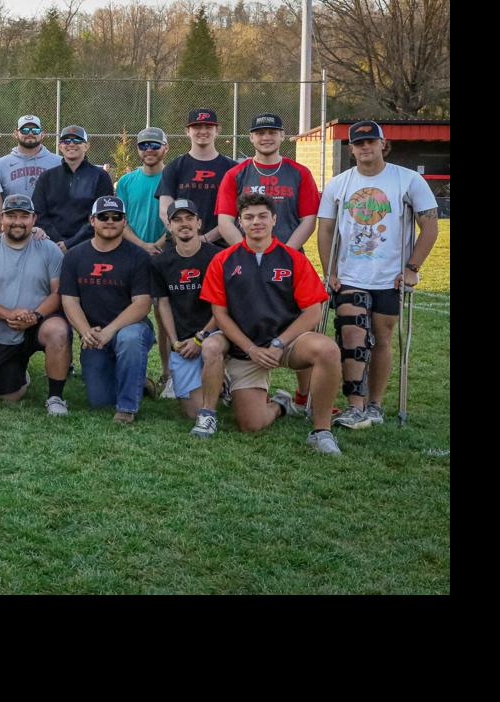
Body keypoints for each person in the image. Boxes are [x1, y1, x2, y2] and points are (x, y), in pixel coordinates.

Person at [314, 120, 441, 429]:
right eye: (359, 143)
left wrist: (411, 268)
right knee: (352, 335)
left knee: (382, 339)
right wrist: (329, 270)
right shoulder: (339, 184)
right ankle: (354, 405)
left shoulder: (408, 180)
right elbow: (326, 229)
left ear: (383, 144)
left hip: (390, 277)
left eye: (371, 141)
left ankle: (375, 405)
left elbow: (430, 226)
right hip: (350, 275)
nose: (365, 147)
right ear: (352, 148)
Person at [202, 192, 342, 454]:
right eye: (249, 217)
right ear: (239, 223)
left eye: (262, 216)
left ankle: (322, 431)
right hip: (245, 349)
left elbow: (313, 311)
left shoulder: (293, 258)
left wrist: (279, 343)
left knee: (327, 349)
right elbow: (220, 315)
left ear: (274, 219)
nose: (256, 222)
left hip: (287, 343)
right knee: (250, 424)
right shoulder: (223, 260)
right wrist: (252, 349)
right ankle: (281, 404)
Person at [0, 194, 70, 414]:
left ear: (34, 219)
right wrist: (8, 314)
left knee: (58, 330)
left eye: (24, 216)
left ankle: (56, 398)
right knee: (10, 395)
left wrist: (36, 316)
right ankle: (17, 369)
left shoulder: (49, 249)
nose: (17, 221)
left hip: (39, 322)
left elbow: (58, 292)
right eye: (11, 216)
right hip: (1, 329)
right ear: (2, 218)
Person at [59, 195, 157, 424]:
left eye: (116, 217)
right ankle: (137, 380)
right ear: (92, 220)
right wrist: (86, 332)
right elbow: (69, 300)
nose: (110, 221)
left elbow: (142, 303)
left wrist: (109, 331)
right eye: (103, 216)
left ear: (125, 222)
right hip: (93, 333)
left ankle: (127, 408)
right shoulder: (74, 256)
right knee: (99, 400)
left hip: (131, 328)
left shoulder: (138, 257)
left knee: (129, 339)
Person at [151, 200, 228, 436]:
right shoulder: (161, 262)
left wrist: (200, 338)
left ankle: (223, 380)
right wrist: (175, 342)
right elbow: (163, 304)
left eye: (189, 218)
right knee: (191, 412)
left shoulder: (217, 257)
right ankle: (217, 385)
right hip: (183, 342)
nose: (184, 224)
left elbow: (223, 305)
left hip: (215, 333)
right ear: (170, 226)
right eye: (177, 219)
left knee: (211, 348)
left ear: (199, 223)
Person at [214, 112, 319, 249]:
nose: (266, 137)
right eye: (260, 133)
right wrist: (246, 253)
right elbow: (225, 222)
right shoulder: (234, 174)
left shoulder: (300, 173)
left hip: (288, 256)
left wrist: (285, 253)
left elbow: (308, 220)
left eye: (272, 132)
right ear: (251, 137)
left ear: (282, 135)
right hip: (247, 258)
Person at [30, 124, 111, 252]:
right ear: (60, 146)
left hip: (88, 247)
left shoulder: (100, 176)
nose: (71, 144)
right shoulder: (47, 177)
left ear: (86, 146)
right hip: (50, 246)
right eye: (66, 140)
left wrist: (70, 244)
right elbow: (38, 213)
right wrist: (57, 242)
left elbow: (101, 215)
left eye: (77, 140)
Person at [159, 107, 236, 225]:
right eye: (197, 127)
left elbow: (236, 212)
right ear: (187, 131)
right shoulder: (174, 167)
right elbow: (164, 211)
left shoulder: (232, 168)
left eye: (209, 127)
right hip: (183, 240)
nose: (203, 131)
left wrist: (206, 239)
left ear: (217, 130)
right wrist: (186, 236)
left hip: (222, 241)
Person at [116, 126, 168, 254]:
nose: (149, 150)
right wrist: (143, 246)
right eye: (143, 146)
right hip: (133, 253)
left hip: (166, 253)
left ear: (166, 148)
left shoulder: (175, 178)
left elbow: (181, 219)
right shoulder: (125, 181)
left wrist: (157, 246)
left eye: (155, 145)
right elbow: (120, 221)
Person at [0, 114, 57, 203]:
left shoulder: (58, 162)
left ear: (42, 134)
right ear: (15, 134)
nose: (30, 133)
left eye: (35, 130)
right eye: (25, 130)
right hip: (16, 216)